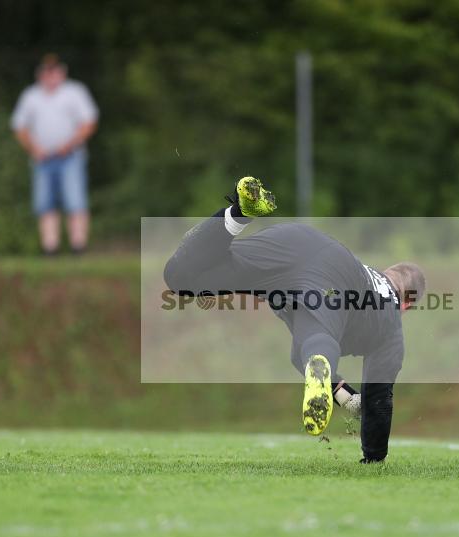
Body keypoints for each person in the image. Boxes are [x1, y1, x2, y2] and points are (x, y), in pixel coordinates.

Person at [163, 177, 425, 463]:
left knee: (183, 279)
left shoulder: (369, 271)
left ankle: (239, 213)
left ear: (389, 272)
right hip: (331, 269)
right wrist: (374, 456)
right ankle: (322, 364)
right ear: (408, 303)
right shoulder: (389, 318)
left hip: (297, 240)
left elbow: (299, 349)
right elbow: (379, 396)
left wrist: (345, 395)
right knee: (318, 336)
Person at [11, 54, 98, 255]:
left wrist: (69, 145)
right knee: (45, 204)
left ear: (62, 72)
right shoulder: (30, 96)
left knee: (75, 202)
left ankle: (78, 246)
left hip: (71, 157)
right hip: (42, 159)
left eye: (54, 70)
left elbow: (89, 122)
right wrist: (34, 149)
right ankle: (50, 248)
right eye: (46, 71)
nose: (50, 75)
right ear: (40, 74)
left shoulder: (74, 92)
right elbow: (19, 127)